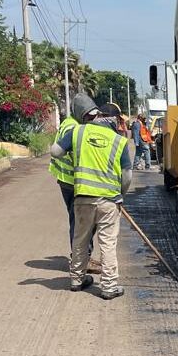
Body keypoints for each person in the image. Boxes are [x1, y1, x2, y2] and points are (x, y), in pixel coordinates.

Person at [50, 108, 133, 299]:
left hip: (83, 197)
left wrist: (74, 157)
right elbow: (127, 175)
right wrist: (121, 194)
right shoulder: (119, 141)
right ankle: (109, 287)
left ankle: (76, 280)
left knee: (80, 239)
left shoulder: (78, 132)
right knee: (108, 243)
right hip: (109, 201)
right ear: (114, 120)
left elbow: (55, 151)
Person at [50, 93, 103, 272]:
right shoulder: (73, 128)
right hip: (72, 183)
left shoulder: (73, 125)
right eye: (89, 116)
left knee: (83, 221)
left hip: (71, 181)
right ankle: (79, 261)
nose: (92, 120)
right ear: (81, 114)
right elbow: (62, 152)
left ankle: (83, 257)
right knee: (81, 223)